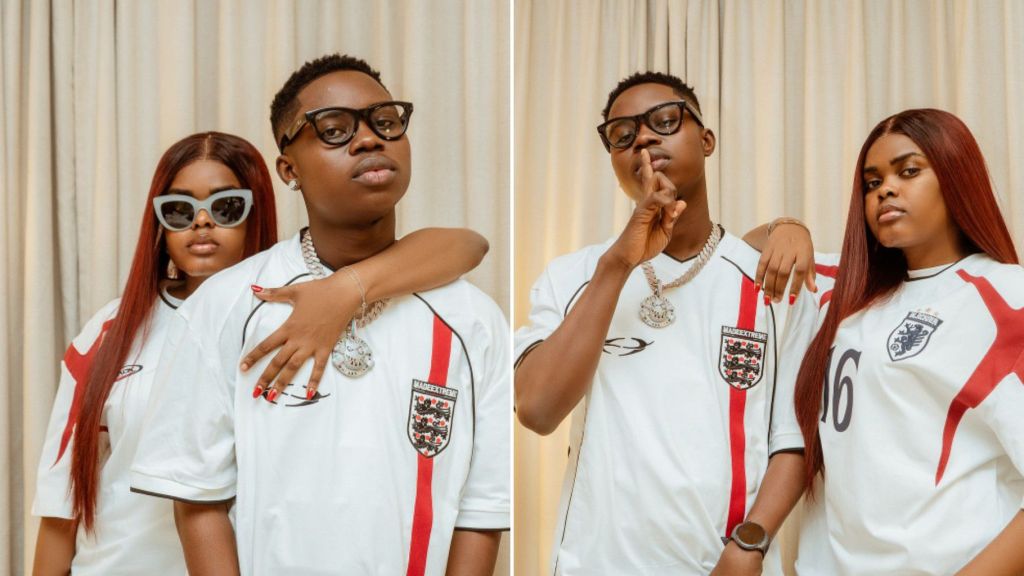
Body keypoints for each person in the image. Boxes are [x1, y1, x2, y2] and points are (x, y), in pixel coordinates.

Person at [32, 131, 490, 575]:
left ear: (258, 211)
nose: (202, 222)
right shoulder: (112, 330)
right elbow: (61, 502)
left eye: (226, 206)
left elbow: (464, 245)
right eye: (178, 209)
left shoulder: (308, 309)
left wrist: (344, 292)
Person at [129, 54, 510, 575]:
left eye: (386, 121)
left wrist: (346, 290)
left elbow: (481, 512)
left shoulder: (473, 318)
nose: (370, 139)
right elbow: (198, 499)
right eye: (333, 130)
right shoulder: (226, 305)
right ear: (289, 169)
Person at [514, 71, 822, 575]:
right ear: (613, 161)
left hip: (716, 566)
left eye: (664, 120)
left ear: (706, 140)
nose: (644, 138)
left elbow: (792, 440)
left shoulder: (769, 278)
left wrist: (752, 544)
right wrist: (617, 266)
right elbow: (538, 410)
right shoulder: (572, 275)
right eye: (622, 134)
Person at [788, 108, 1024, 575]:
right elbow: (742, 252)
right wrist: (786, 227)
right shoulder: (845, 292)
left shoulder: (1005, 295)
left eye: (909, 171)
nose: (886, 190)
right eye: (872, 183)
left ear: (957, 175)